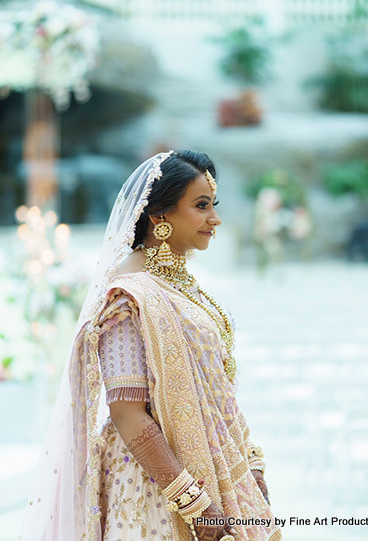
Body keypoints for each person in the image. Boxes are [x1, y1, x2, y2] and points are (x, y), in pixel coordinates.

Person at [19, 150, 282, 541]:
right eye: (201, 206)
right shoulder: (128, 298)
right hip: (153, 491)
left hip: (216, 473)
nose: (216, 218)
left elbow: (218, 390)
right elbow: (128, 414)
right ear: (160, 217)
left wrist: (252, 465)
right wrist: (195, 505)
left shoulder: (180, 285)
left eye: (214, 205)